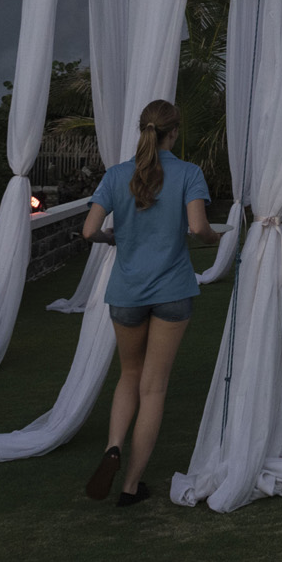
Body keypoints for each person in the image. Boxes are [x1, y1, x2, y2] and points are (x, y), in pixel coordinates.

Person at [81, 99, 212, 505]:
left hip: (126, 293)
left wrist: (113, 238)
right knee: (153, 389)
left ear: (143, 130)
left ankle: (114, 446)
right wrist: (218, 238)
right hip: (172, 291)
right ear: (174, 133)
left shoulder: (118, 175)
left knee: (129, 376)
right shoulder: (188, 173)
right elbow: (197, 227)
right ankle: (131, 485)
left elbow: (88, 231)